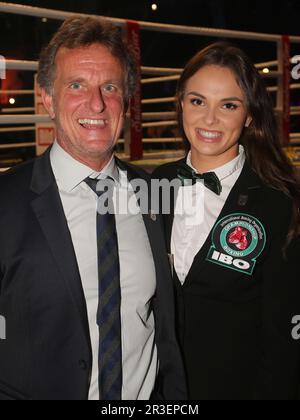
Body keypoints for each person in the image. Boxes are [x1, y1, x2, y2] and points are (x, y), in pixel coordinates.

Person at [0, 17, 186, 401]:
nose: (97, 103)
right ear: (47, 98)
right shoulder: (5, 200)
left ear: (127, 101)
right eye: (76, 85)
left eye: (110, 87)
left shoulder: (155, 193)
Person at [153, 42, 300, 400]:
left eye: (229, 105)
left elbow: (284, 340)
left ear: (249, 115)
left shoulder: (279, 203)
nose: (209, 119)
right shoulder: (154, 183)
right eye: (197, 101)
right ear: (181, 104)